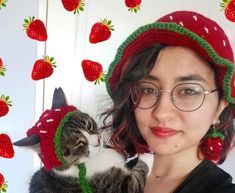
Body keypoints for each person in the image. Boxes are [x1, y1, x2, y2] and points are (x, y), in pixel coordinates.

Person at [102, 10, 235, 193]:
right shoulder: (107, 176)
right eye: (147, 89)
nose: (161, 112)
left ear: (220, 107)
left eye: (188, 91)